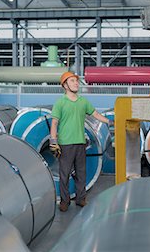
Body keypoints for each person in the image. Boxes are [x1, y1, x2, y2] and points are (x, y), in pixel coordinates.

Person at [50, 71, 113, 212]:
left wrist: (109, 121)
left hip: (80, 142)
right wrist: (53, 142)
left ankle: (81, 199)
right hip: (65, 143)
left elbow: (95, 114)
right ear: (65, 85)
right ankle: (65, 201)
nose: (76, 83)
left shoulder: (83, 102)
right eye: (72, 81)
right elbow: (54, 123)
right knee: (64, 173)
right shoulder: (60, 103)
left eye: (77, 81)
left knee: (81, 173)